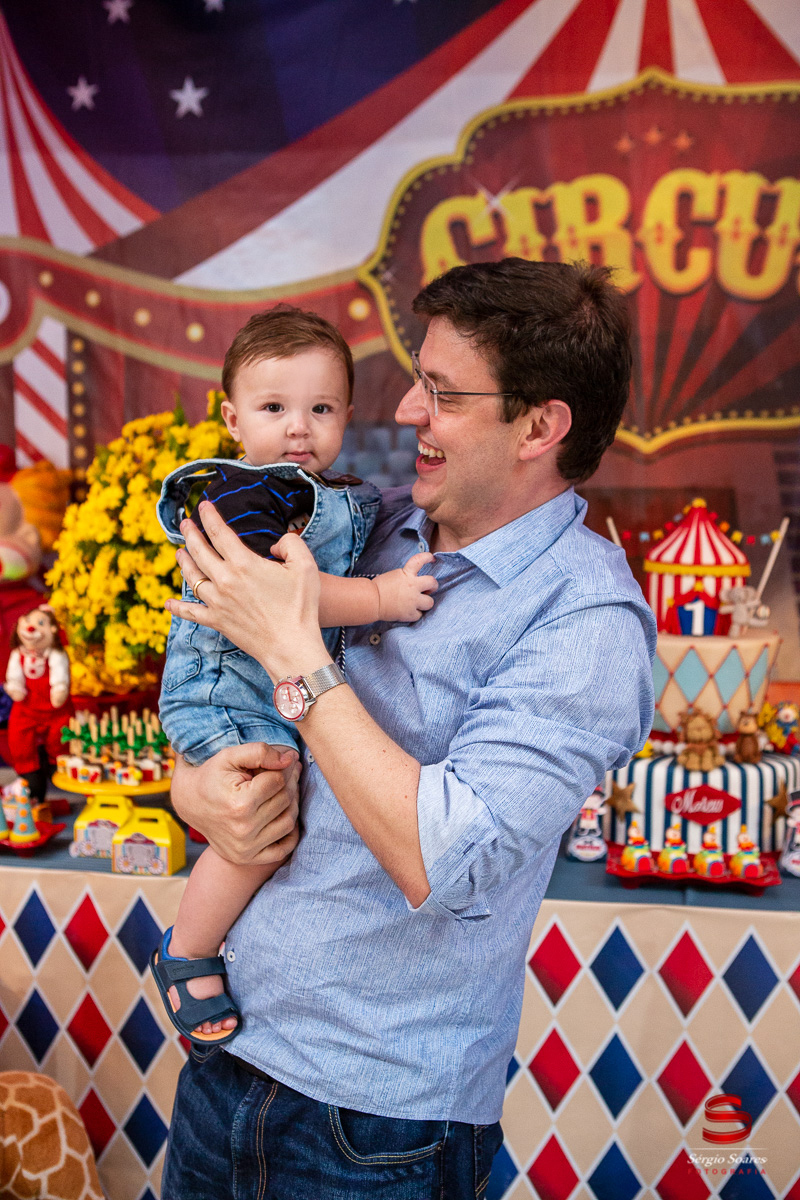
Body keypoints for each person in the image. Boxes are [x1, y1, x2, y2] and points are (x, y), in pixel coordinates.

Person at [160, 259, 657, 1198]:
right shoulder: (374, 524)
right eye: (417, 379)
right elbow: (218, 675)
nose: (404, 409)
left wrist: (295, 652)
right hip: (231, 1060)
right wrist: (196, 788)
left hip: (373, 1121)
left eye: (443, 392)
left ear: (540, 427)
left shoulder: (585, 623)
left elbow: (445, 861)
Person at [152, 307, 437, 1041]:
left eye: (321, 409)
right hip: (227, 689)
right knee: (265, 823)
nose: (299, 428)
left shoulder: (333, 492)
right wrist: (380, 599)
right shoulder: (247, 496)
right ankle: (187, 951)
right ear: (233, 419)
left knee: (270, 813)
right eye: (274, 408)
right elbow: (280, 595)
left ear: (348, 414)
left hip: (267, 686)